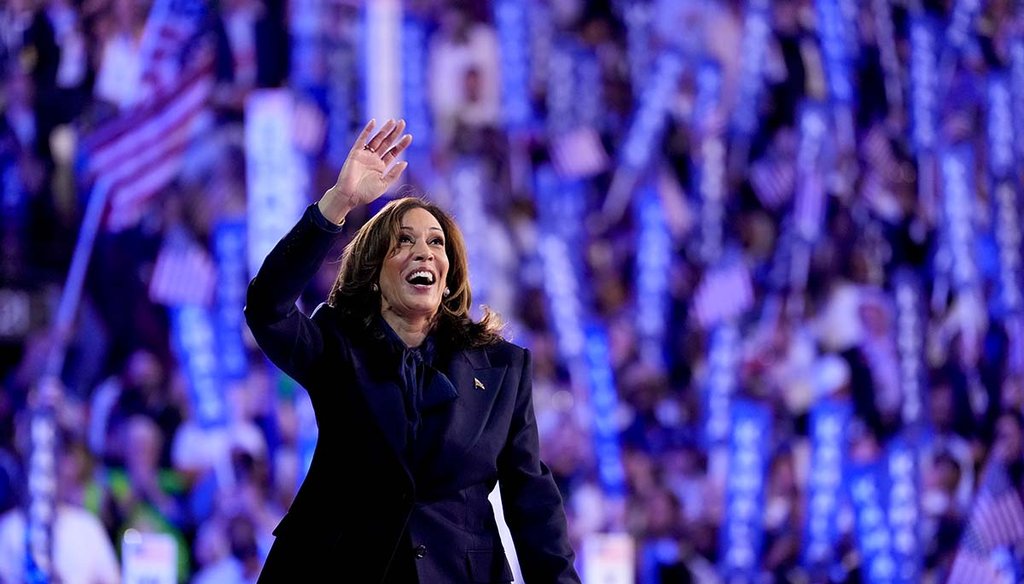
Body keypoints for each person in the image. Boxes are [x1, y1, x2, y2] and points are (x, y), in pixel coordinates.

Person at [244, 118, 581, 583]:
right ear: (375, 273)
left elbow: (533, 504)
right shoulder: (336, 344)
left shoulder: (503, 368)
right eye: (403, 242)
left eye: (436, 243)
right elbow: (266, 308)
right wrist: (337, 203)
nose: (423, 251)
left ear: (448, 277)